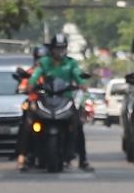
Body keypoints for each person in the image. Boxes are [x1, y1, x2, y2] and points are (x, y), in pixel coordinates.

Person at [21, 36, 88, 170]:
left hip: (65, 99)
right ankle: (28, 157)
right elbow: (36, 74)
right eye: (58, 48)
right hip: (46, 99)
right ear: (52, 49)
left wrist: (82, 83)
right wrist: (30, 84)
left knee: (77, 126)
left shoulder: (71, 63)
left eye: (63, 48)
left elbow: (78, 75)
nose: (60, 51)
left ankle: (83, 160)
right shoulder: (44, 62)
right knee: (30, 124)